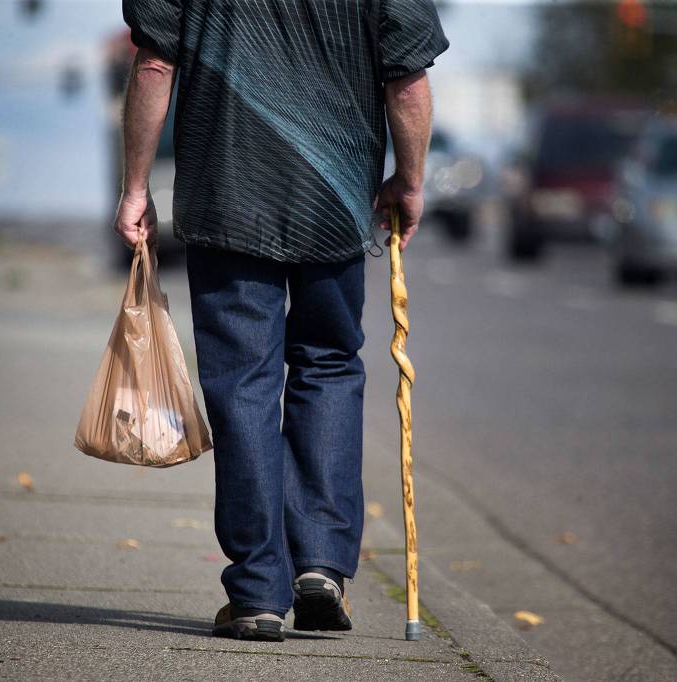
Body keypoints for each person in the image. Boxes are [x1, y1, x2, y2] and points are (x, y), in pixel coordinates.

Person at [116, 0, 447, 641]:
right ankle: (320, 562)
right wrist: (409, 180)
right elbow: (407, 77)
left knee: (242, 383)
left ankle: (257, 591)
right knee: (327, 364)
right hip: (335, 196)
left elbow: (155, 62)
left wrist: (136, 185)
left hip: (226, 191)